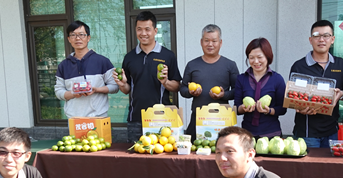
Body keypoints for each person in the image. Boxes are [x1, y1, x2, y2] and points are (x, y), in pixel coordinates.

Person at [114, 11, 182, 142]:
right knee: (134, 159)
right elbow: (127, 89)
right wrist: (122, 84)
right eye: (139, 29)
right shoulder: (129, 57)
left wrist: (165, 82)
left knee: (161, 159)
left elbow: (177, 86)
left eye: (147, 29)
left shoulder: (167, 55)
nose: (143, 33)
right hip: (136, 119)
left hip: (161, 118)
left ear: (155, 30)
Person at [290, 20, 343, 148]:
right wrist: (299, 107)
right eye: (317, 36)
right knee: (308, 168)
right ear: (311, 40)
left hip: (331, 131)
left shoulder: (340, 64)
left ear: (332, 39)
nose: (321, 39)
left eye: (326, 36)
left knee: (329, 168)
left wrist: (341, 94)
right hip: (307, 133)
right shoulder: (299, 66)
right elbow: (293, 96)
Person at [180, 24, 239, 140]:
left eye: (214, 41)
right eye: (206, 40)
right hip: (198, 118)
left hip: (222, 119)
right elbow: (182, 89)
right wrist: (191, 92)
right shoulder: (192, 65)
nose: (210, 44)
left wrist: (224, 95)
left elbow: (238, 91)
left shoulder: (230, 65)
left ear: (220, 43)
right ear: (201, 42)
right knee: (195, 152)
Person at [55, 21, 119, 118]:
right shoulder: (63, 65)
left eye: (81, 35)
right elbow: (58, 92)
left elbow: (114, 87)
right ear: (69, 39)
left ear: (88, 38)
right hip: (74, 119)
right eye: (73, 35)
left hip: (99, 117)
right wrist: (73, 94)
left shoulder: (102, 61)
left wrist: (96, 89)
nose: (77, 38)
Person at [234, 38, 287, 138]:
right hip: (247, 135)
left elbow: (282, 109)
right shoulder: (241, 79)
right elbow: (236, 108)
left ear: (267, 57)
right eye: (251, 57)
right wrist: (243, 108)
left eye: (259, 57)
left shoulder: (277, 79)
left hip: (272, 134)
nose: (256, 61)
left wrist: (269, 110)